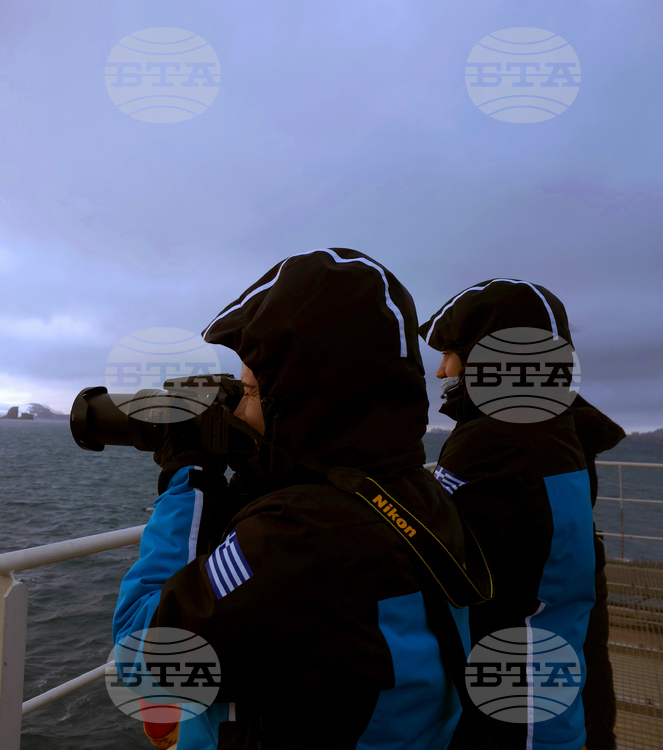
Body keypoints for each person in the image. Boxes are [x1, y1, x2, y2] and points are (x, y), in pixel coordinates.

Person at [113, 249, 481, 750]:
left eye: (247, 391)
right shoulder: (418, 494)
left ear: (301, 396)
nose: (238, 412)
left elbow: (142, 664)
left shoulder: (298, 537)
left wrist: (190, 479)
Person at [420, 279, 596, 750]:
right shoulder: (554, 429)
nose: (440, 371)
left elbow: (424, 549)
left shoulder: (495, 444)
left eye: (451, 352)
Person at [571, 394, 626, 750]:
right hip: (586, 549)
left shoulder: (530, 428)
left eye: (450, 354)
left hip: (562, 561)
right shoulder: (570, 419)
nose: (441, 371)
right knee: (592, 657)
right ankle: (601, 739)